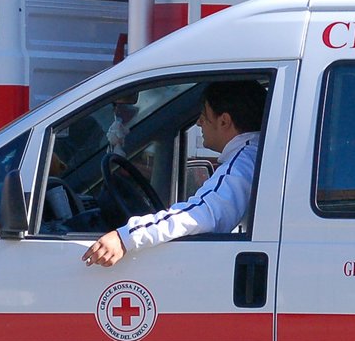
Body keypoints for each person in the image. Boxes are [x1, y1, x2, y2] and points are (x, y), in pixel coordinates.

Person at [82, 79, 266, 267]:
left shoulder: (242, 162)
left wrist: (125, 237)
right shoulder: (255, 154)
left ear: (224, 121)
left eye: (203, 115)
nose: (199, 122)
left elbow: (202, 214)